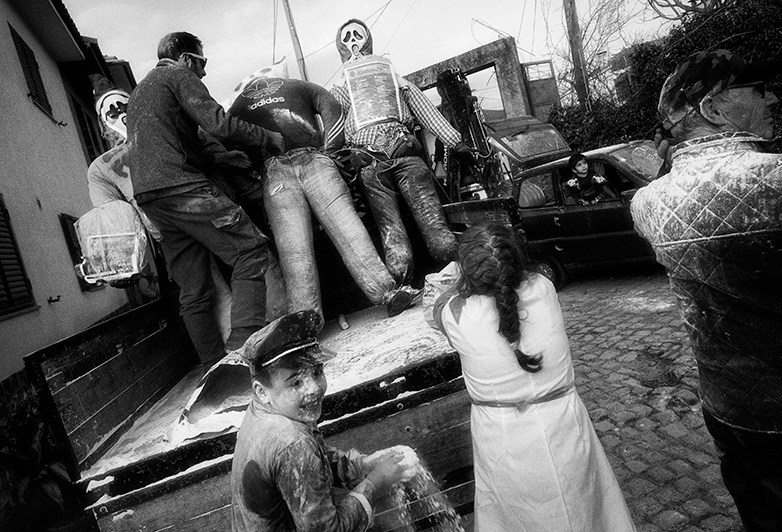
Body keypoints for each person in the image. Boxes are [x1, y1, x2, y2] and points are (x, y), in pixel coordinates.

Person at [631, 49, 782, 531]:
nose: (773, 97)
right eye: (757, 89)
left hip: (727, 410)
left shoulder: (646, 203)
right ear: (713, 109)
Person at [432, 223, 636, 531]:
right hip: (564, 425)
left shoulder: (454, 312)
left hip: (502, 439)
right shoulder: (543, 286)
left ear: (468, 272)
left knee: (516, 517)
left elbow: (435, 308)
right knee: (584, 507)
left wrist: (455, 284)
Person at [127, 32, 286, 363]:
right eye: (202, 63)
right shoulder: (177, 75)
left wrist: (226, 159)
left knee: (194, 289)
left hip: (152, 198)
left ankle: (214, 368)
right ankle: (241, 349)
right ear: (186, 58)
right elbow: (219, 125)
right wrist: (265, 137)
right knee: (250, 249)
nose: (204, 72)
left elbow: (185, 145)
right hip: (182, 188)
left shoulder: (140, 93)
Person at [226, 66, 421, 319]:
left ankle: (305, 321)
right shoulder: (296, 85)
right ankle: (388, 294)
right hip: (313, 158)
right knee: (348, 228)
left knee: (294, 251)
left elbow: (221, 144)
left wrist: (251, 181)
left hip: (274, 171)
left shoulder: (236, 107)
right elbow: (331, 107)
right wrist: (330, 149)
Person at [231, 310, 409, 531]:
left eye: (316, 372)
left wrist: (364, 465)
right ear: (261, 391)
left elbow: (317, 457)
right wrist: (376, 483)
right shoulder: (291, 442)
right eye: (296, 383)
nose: (313, 389)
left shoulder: (269, 408)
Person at [330, 19, 461, 285]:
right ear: (341, 45)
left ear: (365, 39)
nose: (353, 41)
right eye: (348, 37)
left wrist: (454, 141)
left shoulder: (357, 83)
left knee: (409, 224)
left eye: (357, 35)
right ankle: (422, 272)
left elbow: (422, 107)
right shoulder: (358, 83)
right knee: (404, 223)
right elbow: (337, 125)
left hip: (383, 156)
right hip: (383, 156)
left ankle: (435, 268)